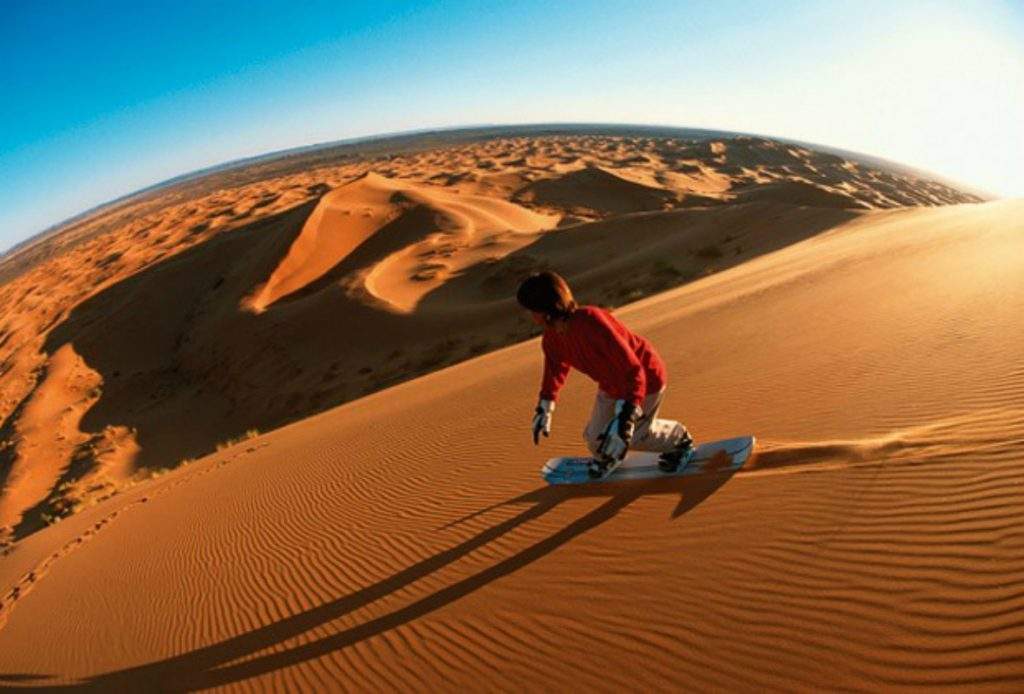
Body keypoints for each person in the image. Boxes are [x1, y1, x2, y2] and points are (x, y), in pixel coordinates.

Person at [517, 271, 694, 479]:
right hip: (611, 385)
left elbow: (633, 369)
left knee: (634, 436)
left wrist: (627, 415)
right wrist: (545, 406)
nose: (531, 316)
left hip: (645, 380)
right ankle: (612, 457)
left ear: (546, 309)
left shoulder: (592, 322)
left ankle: (679, 440)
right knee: (596, 440)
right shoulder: (552, 338)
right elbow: (555, 368)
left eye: (533, 310)